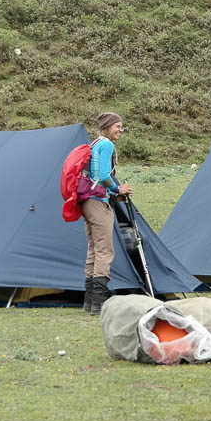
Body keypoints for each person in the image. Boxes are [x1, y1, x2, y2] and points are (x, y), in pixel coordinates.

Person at [81, 112, 132, 316]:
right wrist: (118, 190)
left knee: (93, 250)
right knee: (105, 251)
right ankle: (99, 305)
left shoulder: (95, 144)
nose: (120, 130)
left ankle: (89, 303)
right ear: (108, 126)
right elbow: (102, 175)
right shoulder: (107, 145)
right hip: (98, 201)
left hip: (86, 201)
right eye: (117, 126)